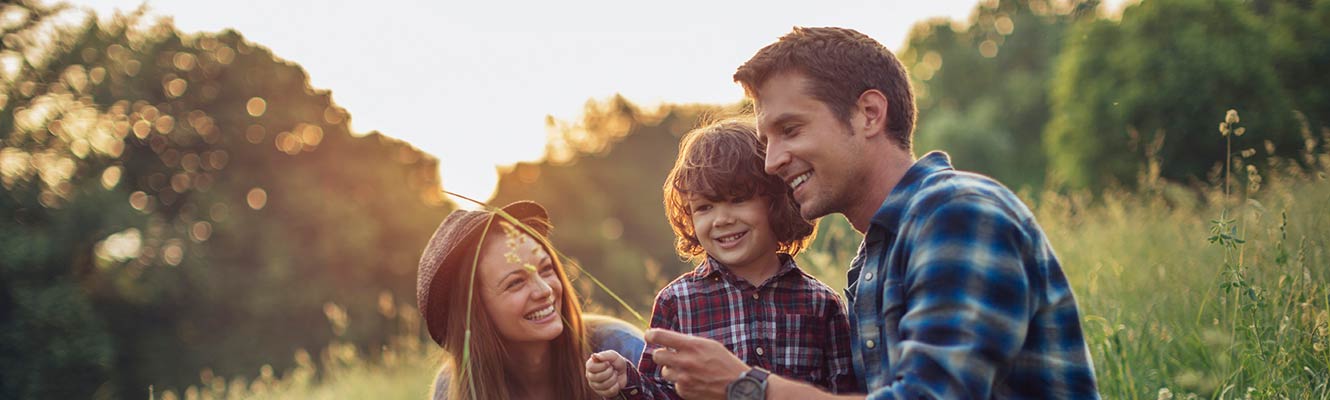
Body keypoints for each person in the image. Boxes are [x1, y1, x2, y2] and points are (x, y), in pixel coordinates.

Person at [643, 27, 1100, 399]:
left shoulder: (959, 213)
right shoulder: (876, 256)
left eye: (791, 129)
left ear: (868, 113)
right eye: (768, 140)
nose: (772, 161)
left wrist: (743, 385)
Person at [584, 120, 857, 399]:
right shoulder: (676, 302)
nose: (722, 219)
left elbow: (842, 391)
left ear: (777, 201)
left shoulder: (821, 304)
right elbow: (662, 392)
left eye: (738, 199)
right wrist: (627, 381)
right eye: (704, 207)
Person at [416, 200, 645, 400]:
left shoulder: (621, 349)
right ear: (475, 310)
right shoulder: (454, 388)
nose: (544, 290)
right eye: (515, 283)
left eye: (546, 269)